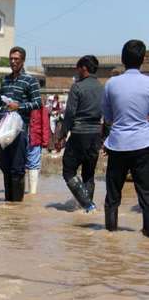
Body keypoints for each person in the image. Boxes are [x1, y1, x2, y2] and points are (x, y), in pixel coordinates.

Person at [101, 40, 149, 236]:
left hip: (117, 144)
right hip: (143, 144)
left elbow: (108, 117)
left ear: (122, 59)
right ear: (142, 60)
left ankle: (110, 234)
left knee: (113, 195)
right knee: (146, 194)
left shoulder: (111, 84)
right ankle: (147, 233)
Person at [0, 46, 42, 202]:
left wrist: (19, 106)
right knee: (5, 167)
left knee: (17, 169)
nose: (13, 62)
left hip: (19, 130)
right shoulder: (5, 80)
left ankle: (17, 206)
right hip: (3, 130)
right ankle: (9, 206)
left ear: (22, 61)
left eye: (16, 59)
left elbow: (37, 103)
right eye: (11, 59)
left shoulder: (30, 80)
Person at [57, 55, 104, 212]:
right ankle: (86, 209)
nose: (76, 72)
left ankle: (88, 205)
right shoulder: (102, 88)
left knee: (68, 171)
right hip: (96, 134)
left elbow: (70, 113)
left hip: (79, 134)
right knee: (89, 174)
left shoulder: (77, 87)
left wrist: (62, 134)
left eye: (77, 69)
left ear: (84, 68)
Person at [26, 98, 50, 194]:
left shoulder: (40, 105)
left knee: (33, 164)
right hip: (24, 137)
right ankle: (28, 193)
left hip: (35, 138)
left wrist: (45, 141)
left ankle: (32, 193)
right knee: (23, 165)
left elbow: (45, 123)